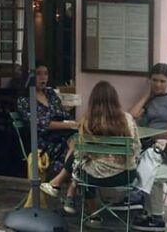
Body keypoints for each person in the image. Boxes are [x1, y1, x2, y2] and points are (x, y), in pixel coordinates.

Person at [46, 81, 140, 226]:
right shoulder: (127, 119)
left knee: (81, 166)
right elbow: (136, 148)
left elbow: (81, 155)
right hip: (125, 176)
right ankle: (62, 188)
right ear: (115, 99)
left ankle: (93, 215)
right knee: (81, 164)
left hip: (94, 178)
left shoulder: (88, 121)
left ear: (93, 101)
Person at [125, 63, 167, 231]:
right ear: (149, 80)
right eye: (154, 80)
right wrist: (146, 96)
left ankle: (138, 195)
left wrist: (150, 135)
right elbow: (129, 118)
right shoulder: (151, 98)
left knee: (151, 159)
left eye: (162, 81)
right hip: (146, 144)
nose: (158, 84)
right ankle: (151, 213)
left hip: (164, 146)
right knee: (138, 156)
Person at [17, 63, 78, 178]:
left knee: (81, 140)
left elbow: (64, 114)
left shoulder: (50, 93)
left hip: (63, 135)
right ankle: (68, 183)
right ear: (29, 77)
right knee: (77, 145)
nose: (43, 77)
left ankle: (70, 187)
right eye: (38, 74)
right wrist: (71, 124)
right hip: (44, 141)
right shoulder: (24, 100)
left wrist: (70, 123)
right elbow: (42, 124)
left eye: (46, 74)